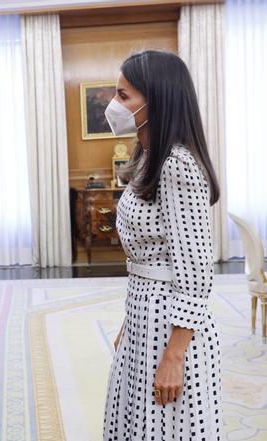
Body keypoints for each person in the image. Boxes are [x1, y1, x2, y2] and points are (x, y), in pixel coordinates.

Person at [103, 51, 222, 440]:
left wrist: (175, 355)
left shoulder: (178, 165)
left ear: (157, 100)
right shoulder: (148, 156)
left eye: (124, 96)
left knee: (165, 425)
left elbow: (196, 273)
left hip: (168, 325)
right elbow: (151, 254)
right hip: (143, 312)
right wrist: (129, 320)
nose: (114, 106)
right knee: (137, 421)